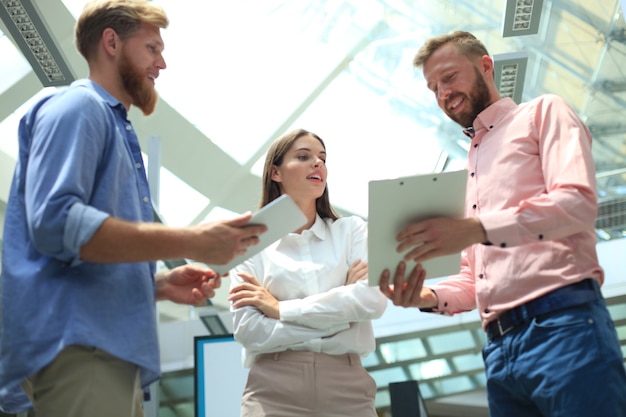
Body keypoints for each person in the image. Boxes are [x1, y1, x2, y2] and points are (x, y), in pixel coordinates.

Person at [0, 1, 266, 416]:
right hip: (84, 349)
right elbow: (56, 221)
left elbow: (79, 252)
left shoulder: (110, 126)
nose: (162, 63)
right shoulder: (78, 108)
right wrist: (192, 240)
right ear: (111, 42)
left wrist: (156, 286)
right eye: (152, 48)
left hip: (101, 350)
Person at [378, 31, 626, 417]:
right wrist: (426, 298)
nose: (443, 93)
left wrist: (475, 228)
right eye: (433, 88)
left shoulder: (544, 112)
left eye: (449, 77)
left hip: (563, 327)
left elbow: (576, 203)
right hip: (498, 352)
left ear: (486, 66)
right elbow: (473, 277)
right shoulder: (468, 171)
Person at [228, 128, 388, 417]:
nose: (318, 164)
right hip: (273, 391)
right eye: (304, 156)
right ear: (275, 172)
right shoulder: (248, 243)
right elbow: (249, 331)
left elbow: (372, 302)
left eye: (322, 158)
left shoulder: (351, 230)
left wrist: (279, 309)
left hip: (347, 387)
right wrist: (342, 312)